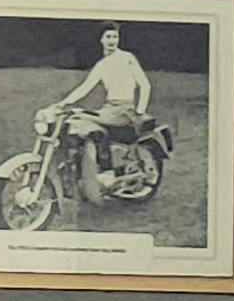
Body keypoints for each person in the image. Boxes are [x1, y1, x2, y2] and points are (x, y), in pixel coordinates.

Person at [45, 22, 153, 186]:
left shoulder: (127, 58)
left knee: (83, 117)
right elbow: (85, 87)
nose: (112, 40)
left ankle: (107, 171)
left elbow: (145, 85)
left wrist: (140, 111)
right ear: (101, 40)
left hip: (126, 109)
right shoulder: (101, 65)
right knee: (77, 122)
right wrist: (63, 103)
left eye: (115, 36)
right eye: (108, 37)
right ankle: (78, 168)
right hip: (109, 109)